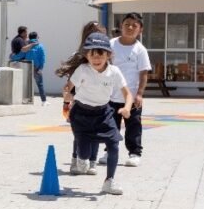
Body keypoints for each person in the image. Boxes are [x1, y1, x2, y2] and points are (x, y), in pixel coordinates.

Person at [62, 32, 133, 195]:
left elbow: (127, 94)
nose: (96, 58)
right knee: (84, 154)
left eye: (100, 53)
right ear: (86, 55)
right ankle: (81, 158)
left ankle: (109, 181)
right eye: (92, 54)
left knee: (114, 143)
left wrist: (127, 108)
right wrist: (67, 97)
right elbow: (68, 87)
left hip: (103, 113)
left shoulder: (114, 72)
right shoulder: (83, 69)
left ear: (108, 54)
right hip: (81, 114)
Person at [100, 12, 151, 168]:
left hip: (132, 97)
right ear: (121, 26)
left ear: (140, 30)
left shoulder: (140, 50)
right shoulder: (111, 45)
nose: (130, 27)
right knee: (110, 126)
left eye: (134, 25)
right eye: (127, 24)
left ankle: (134, 153)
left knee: (133, 126)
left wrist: (140, 94)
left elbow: (143, 73)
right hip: (111, 95)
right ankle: (109, 151)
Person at [57, 21, 107, 175]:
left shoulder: (105, 55)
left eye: (97, 32)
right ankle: (76, 160)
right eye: (91, 32)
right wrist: (67, 101)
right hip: (80, 101)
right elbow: (70, 81)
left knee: (96, 134)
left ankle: (92, 162)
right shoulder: (78, 56)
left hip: (99, 101)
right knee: (79, 134)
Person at [25, 31, 48, 106]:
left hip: (27, 67)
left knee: (26, 84)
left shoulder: (26, 45)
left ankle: (26, 100)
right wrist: (40, 68)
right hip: (37, 68)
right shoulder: (40, 46)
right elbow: (42, 58)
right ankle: (44, 101)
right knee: (40, 84)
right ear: (36, 37)